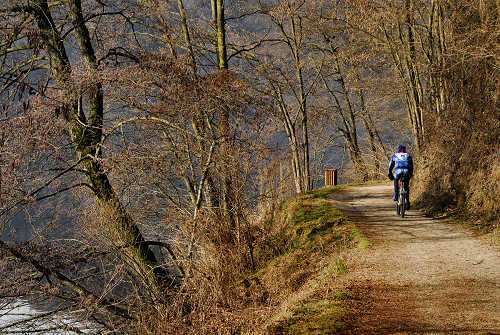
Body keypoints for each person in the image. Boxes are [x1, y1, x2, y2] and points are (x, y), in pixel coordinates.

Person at [388, 144, 413, 209]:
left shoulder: (395, 155)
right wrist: (410, 174)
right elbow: (411, 166)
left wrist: (390, 173)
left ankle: (396, 195)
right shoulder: (408, 156)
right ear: (405, 150)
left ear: (398, 150)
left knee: (396, 182)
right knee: (406, 187)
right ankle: (407, 201)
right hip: (406, 172)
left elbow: (390, 166)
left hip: (398, 172)